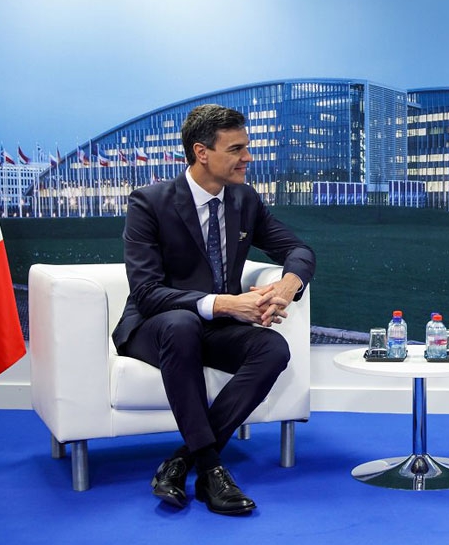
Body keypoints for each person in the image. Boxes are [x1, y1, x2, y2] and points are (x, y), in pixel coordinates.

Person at [112, 104, 315, 516]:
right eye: (237, 149)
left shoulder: (244, 200)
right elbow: (148, 292)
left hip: (213, 327)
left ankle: (182, 460)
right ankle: (211, 468)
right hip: (155, 328)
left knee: (272, 349)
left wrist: (289, 283)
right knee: (183, 325)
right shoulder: (149, 203)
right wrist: (225, 303)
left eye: (247, 147)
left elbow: (298, 249)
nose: (248, 158)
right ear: (201, 152)